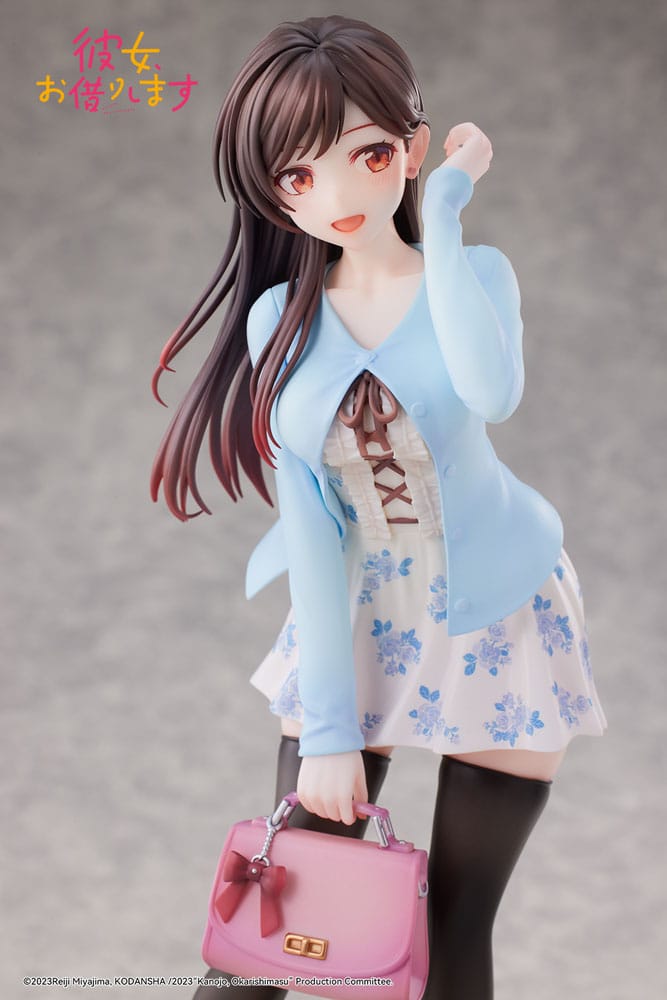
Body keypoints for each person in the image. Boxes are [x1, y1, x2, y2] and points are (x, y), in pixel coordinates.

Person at [151, 15, 607, 1000]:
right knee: (276, 910)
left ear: (407, 147)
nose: (336, 197)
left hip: (498, 608)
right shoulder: (281, 320)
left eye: (364, 156)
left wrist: (443, 210)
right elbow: (311, 524)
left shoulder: (474, 277)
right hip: (359, 612)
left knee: (452, 926)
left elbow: (491, 393)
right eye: (297, 175)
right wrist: (326, 733)